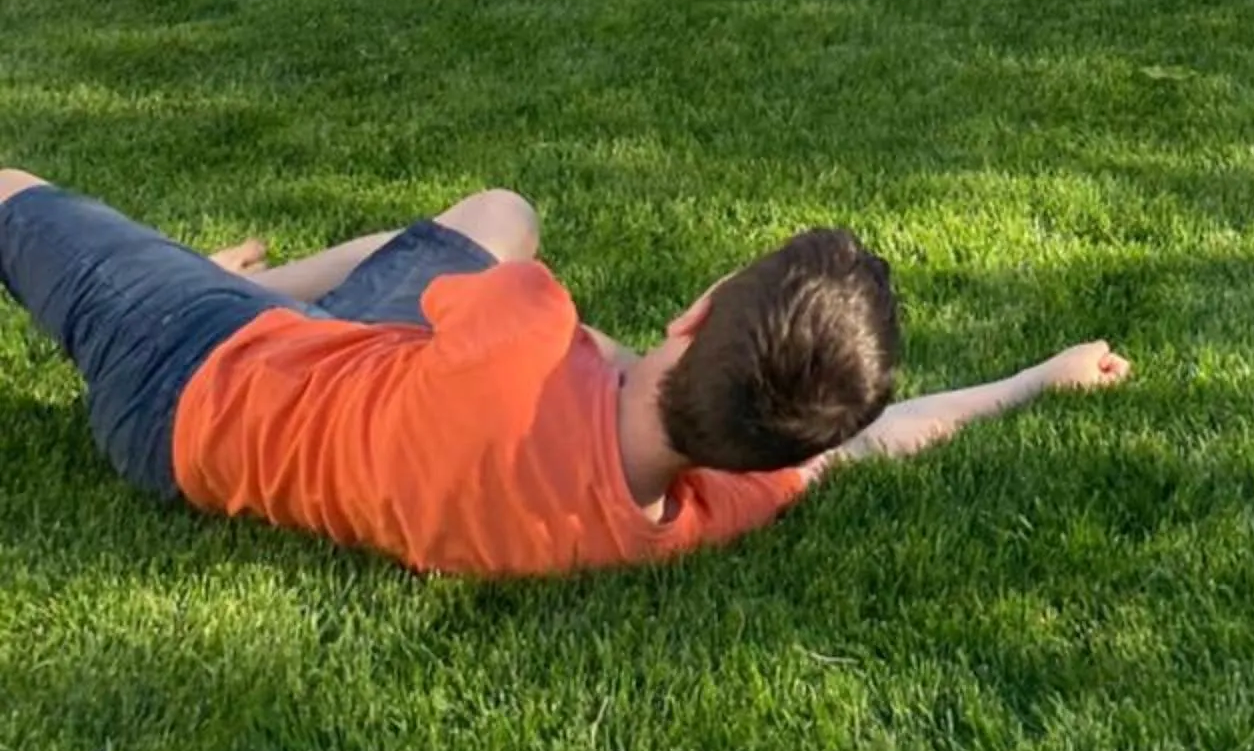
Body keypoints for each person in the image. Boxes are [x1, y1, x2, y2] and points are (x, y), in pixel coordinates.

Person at [0, 168, 1130, 579]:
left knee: (12, 193)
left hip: (195, 370)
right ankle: (241, 282)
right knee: (494, 216)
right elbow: (875, 437)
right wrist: (1041, 375)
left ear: (691, 312)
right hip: (284, 403)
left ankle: (222, 281)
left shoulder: (528, 331)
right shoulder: (699, 515)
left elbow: (493, 310)